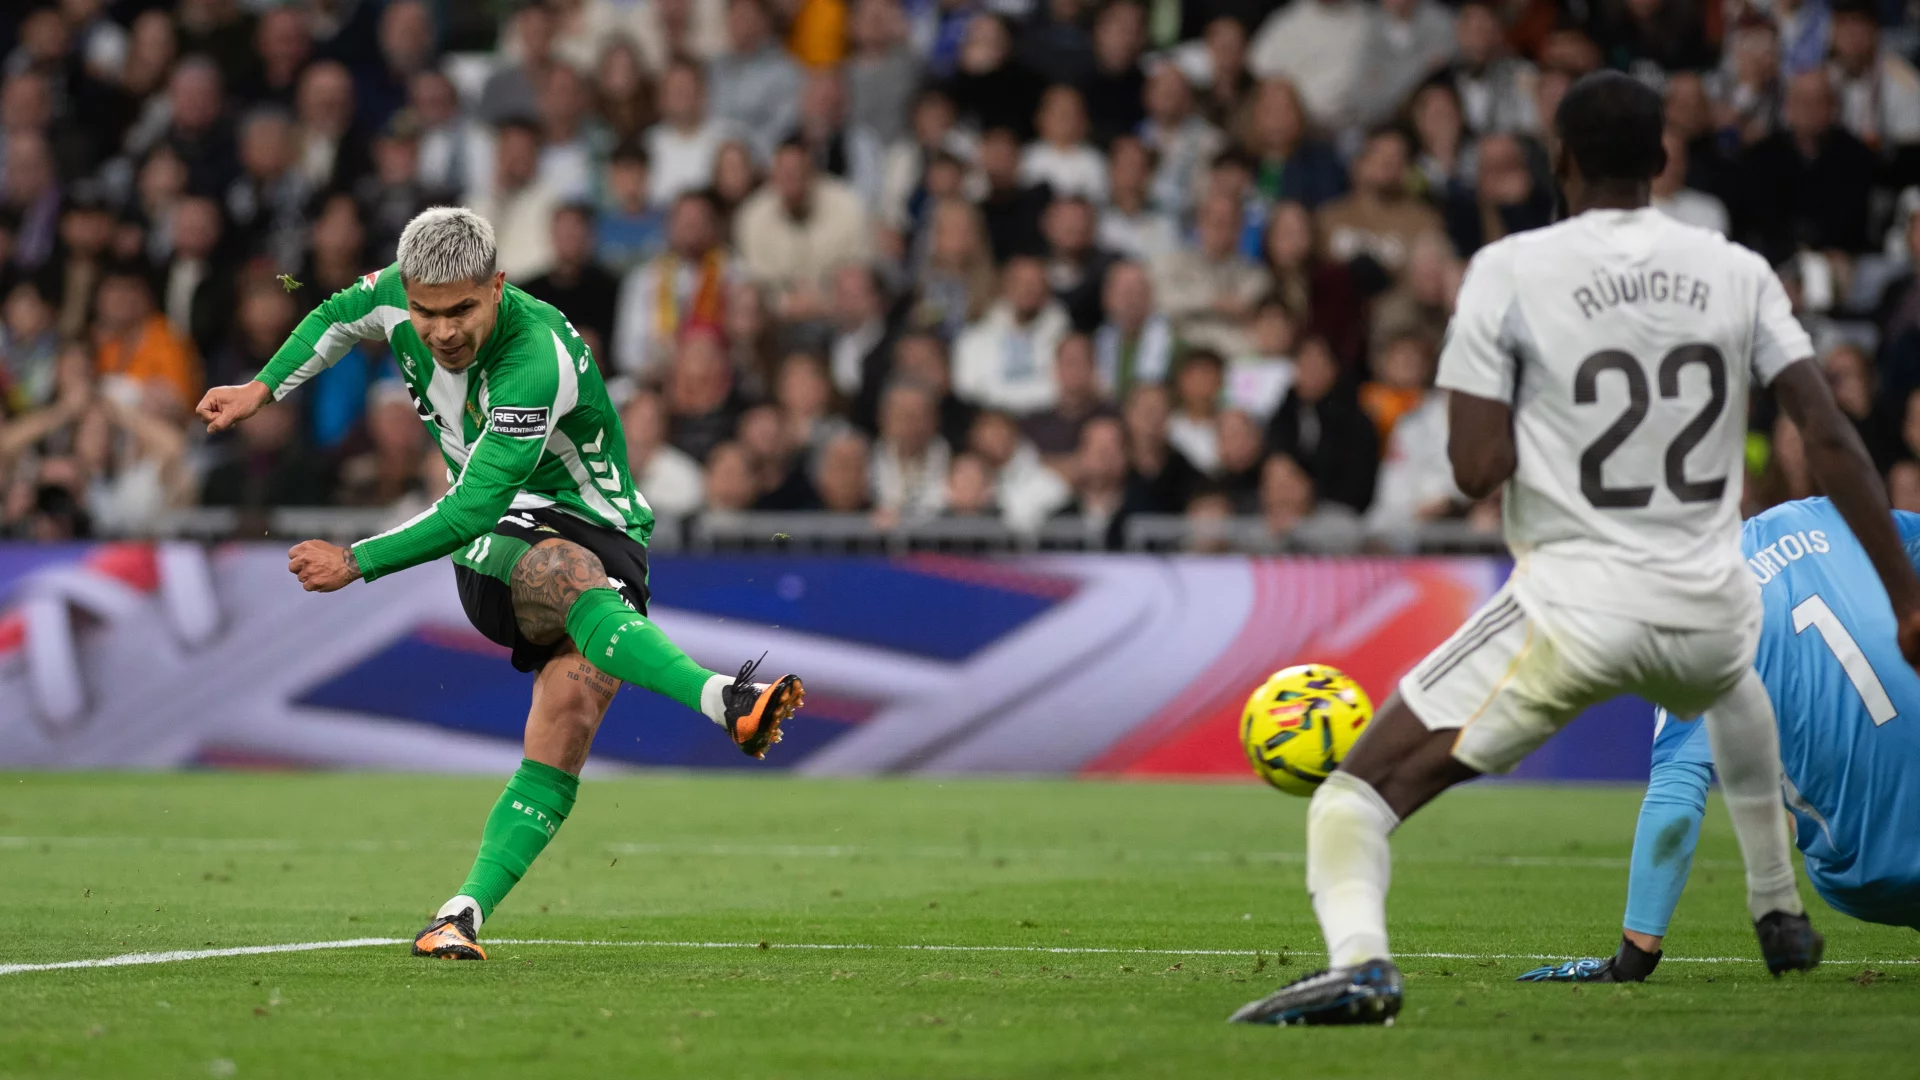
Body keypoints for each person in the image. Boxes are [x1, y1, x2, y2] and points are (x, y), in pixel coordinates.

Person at [1231, 72, 1920, 1027]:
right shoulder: (1736, 271)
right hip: (1709, 596)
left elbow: (1474, 469)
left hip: (1577, 595)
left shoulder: (1511, 274)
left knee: (1360, 792)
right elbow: (1833, 439)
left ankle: (1362, 967)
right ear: (1662, 163)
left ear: (1560, 161)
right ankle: (1775, 909)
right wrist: (1906, 596)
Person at [192, 208, 806, 962]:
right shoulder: (394, 295)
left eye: (461, 311)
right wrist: (262, 388)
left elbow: (471, 500)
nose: (441, 331)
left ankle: (462, 911)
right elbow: (334, 319)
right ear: (406, 292)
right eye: (424, 313)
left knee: (570, 720)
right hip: (499, 542)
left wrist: (357, 561)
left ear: (497, 287)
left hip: (599, 530)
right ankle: (726, 700)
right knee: (564, 572)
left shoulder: (534, 357)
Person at [1520, 497, 1920, 983]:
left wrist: (1634, 957)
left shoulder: (1694, 625)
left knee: (1813, 829)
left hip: (1871, 868)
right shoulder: (1818, 514)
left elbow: (1676, 805)